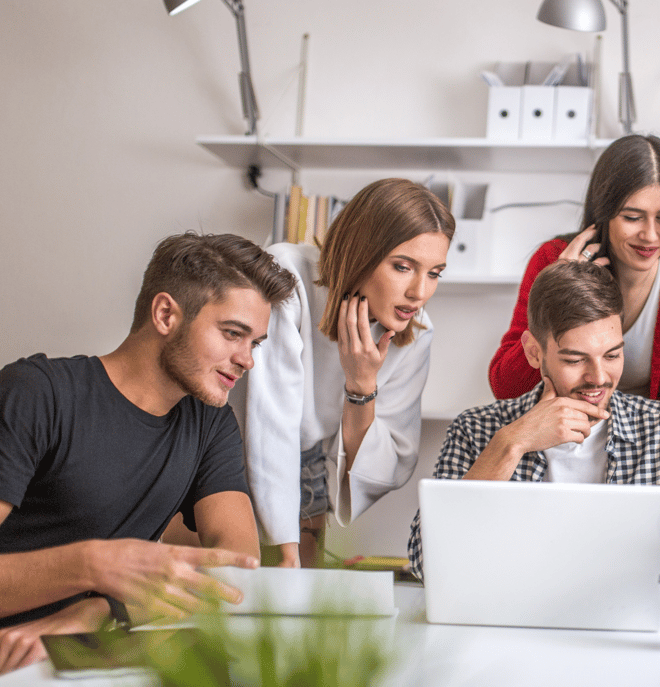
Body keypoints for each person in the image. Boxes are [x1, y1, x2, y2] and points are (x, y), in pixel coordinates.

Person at [0, 232, 297, 673]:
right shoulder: (37, 394)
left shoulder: (209, 423)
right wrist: (92, 564)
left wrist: (101, 609)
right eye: (232, 334)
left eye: (254, 343)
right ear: (165, 314)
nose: (247, 360)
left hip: (81, 654)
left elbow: (235, 572)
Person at [408, 260, 660, 582]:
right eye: (575, 360)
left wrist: (631, 574)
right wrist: (511, 444)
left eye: (613, 355)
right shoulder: (475, 430)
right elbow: (426, 561)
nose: (599, 377)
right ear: (534, 352)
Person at [238, 178, 455, 569]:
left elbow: (389, 463)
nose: (419, 292)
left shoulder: (417, 329)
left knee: (292, 603)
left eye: (435, 272)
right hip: (234, 452)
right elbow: (271, 422)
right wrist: (285, 548)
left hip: (310, 467)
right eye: (403, 267)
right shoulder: (287, 276)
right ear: (361, 252)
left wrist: (361, 383)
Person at [489, 134, 660, 425]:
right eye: (633, 217)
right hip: (557, 438)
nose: (650, 235)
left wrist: (610, 438)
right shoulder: (552, 260)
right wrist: (559, 290)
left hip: (649, 447)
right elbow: (508, 389)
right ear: (604, 213)